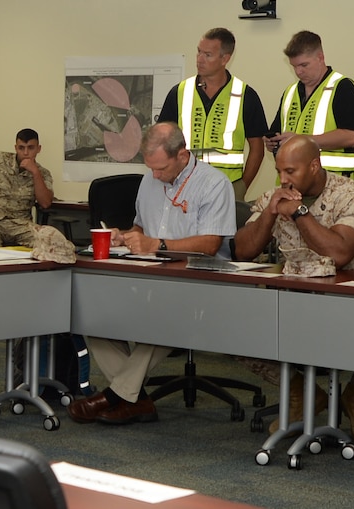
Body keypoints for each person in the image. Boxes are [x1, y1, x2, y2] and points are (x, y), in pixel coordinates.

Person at [68, 122, 236, 425]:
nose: (155, 176)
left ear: (183, 156)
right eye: (151, 169)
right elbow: (142, 227)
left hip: (200, 282)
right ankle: (136, 399)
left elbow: (211, 244)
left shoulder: (214, 184)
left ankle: (116, 396)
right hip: (150, 277)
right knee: (92, 315)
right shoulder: (149, 181)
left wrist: (156, 244)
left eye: (161, 169)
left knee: (163, 317)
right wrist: (126, 237)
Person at [232, 135, 354, 447]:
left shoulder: (352, 197)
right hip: (293, 299)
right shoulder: (277, 195)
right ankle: (302, 392)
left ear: (314, 166)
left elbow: (339, 253)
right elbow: (243, 251)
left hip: (349, 302)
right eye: (279, 172)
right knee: (236, 327)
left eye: (290, 171)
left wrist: (300, 212)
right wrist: (271, 213)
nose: (283, 179)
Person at [158, 27, 268, 200]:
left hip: (227, 185)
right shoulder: (179, 92)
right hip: (184, 184)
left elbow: (257, 147)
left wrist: (242, 186)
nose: (199, 60)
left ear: (225, 58)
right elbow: (161, 140)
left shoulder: (245, 95)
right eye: (199, 52)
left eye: (207, 55)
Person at [265, 30, 354, 178]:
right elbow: (278, 131)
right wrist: (272, 143)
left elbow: (351, 137)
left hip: (334, 184)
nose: (299, 71)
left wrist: (301, 141)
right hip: (292, 184)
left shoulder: (343, 87)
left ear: (320, 58)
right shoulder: (290, 92)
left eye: (304, 65)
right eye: (294, 66)